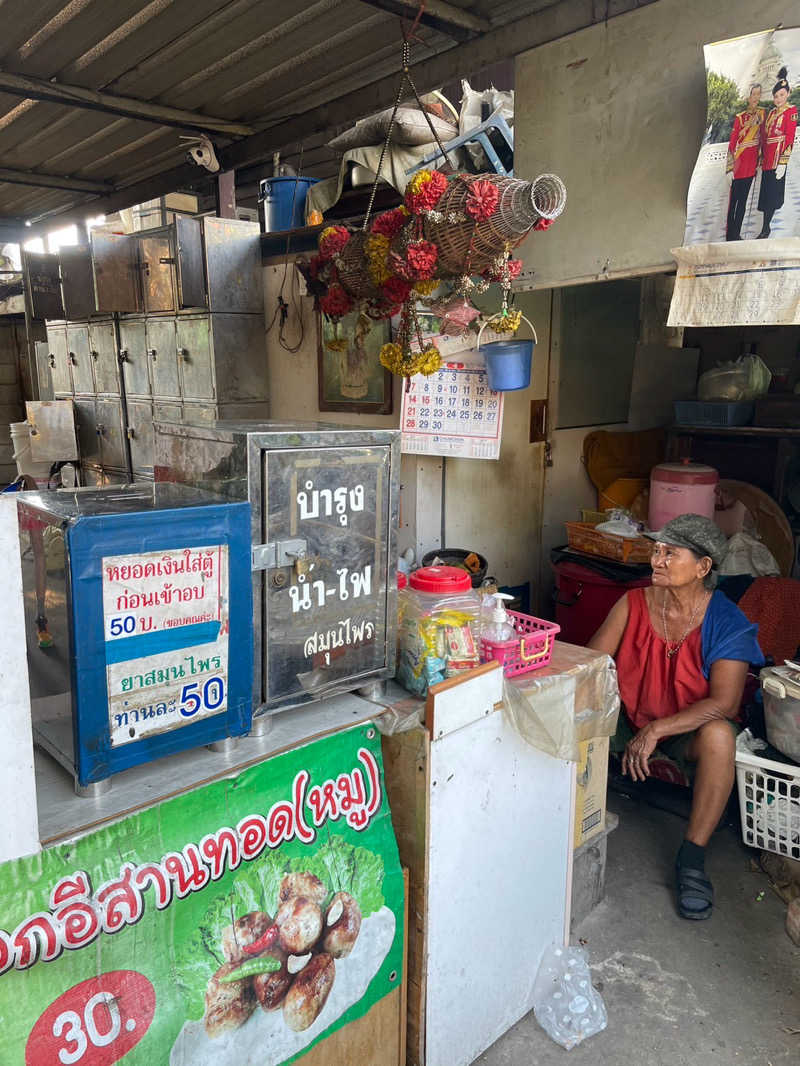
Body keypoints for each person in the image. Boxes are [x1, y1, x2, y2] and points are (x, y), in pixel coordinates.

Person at [589, 515, 763, 920]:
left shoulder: (727, 622)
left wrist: (658, 729)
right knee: (580, 699)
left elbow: (724, 701)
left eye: (671, 553)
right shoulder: (633, 602)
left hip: (686, 731)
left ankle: (692, 857)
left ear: (703, 567)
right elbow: (592, 663)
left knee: (721, 736)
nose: (658, 561)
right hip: (629, 716)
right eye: (656, 551)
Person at [757, 66, 797, 238]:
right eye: (775, 96)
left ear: (787, 94)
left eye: (781, 95)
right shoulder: (771, 113)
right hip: (767, 160)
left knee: (773, 194)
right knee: (766, 193)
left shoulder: (791, 111)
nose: (778, 99)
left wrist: (783, 162)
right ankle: (765, 226)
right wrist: (761, 156)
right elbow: (765, 136)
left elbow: (789, 137)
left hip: (779, 157)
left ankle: (766, 228)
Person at [725, 84, 764, 240]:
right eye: (753, 94)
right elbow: (732, 143)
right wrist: (729, 169)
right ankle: (729, 236)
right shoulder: (740, 118)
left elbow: (762, 140)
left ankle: (737, 234)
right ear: (748, 97)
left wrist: (759, 162)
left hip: (750, 168)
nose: (755, 97)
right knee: (733, 203)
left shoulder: (762, 115)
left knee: (743, 204)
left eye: (758, 94)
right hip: (738, 166)